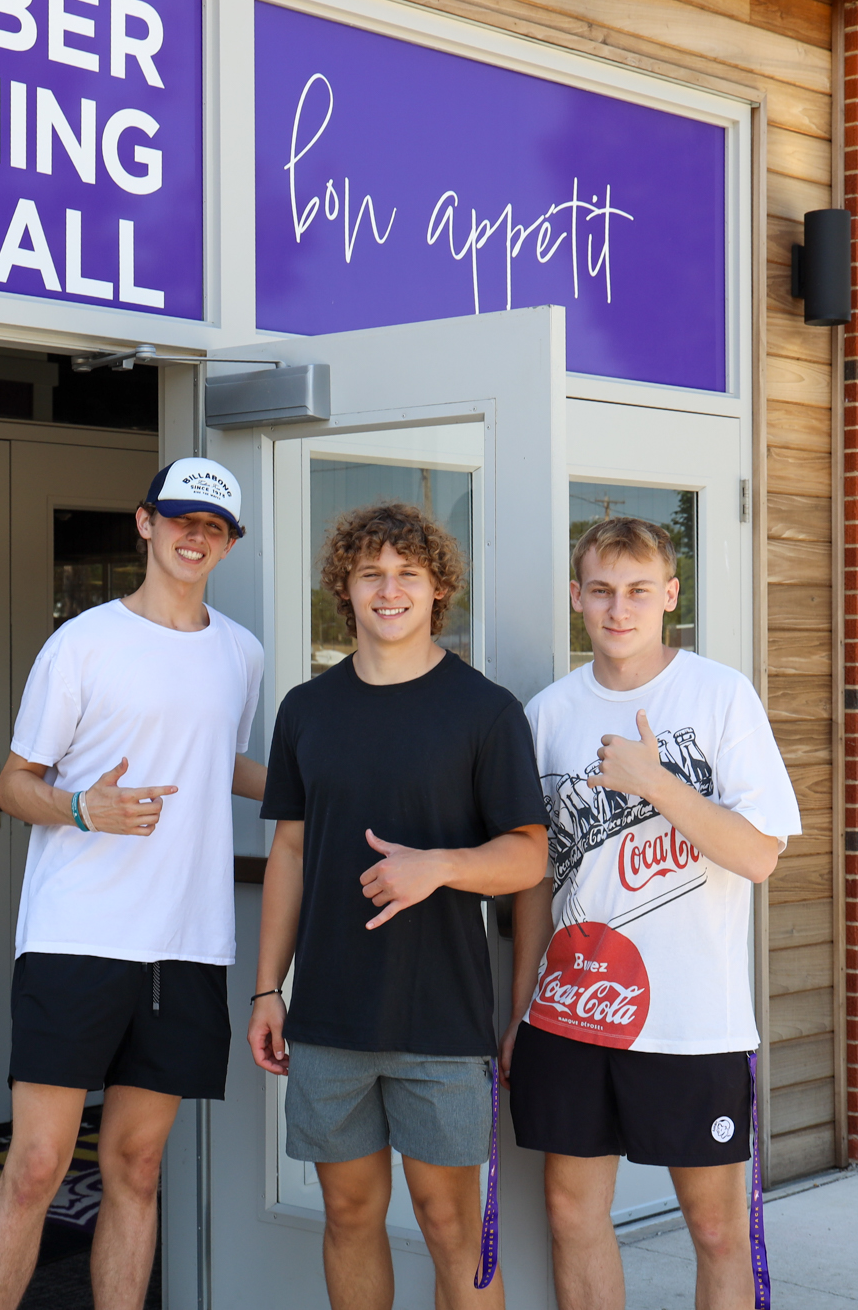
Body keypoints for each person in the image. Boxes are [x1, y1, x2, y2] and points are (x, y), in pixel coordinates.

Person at [0, 458, 266, 1310]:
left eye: (214, 526)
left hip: (186, 942)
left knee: (136, 1166)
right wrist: (82, 808)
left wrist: (319, 785)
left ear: (230, 542)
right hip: (77, 938)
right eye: (180, 519)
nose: (194, 535)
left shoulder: (240, 653)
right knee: (35, 1166)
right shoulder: (83, 642)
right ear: (145, 523)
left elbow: (222, 762)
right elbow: (13, 783)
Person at [247, 501, 548, 1310]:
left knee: (451, 1225)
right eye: (370, 573)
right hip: (330, 1019)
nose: (389, 590)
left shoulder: (485, 711)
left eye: (407, 574)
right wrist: (268, 986)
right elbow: (291, 852)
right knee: (347, 1212)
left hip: (442, 1023)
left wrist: (439, 867)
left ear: (437, 586)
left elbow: (528, 852)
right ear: (343, 588)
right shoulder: (307, 709)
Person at [504, 516, 800, 1310]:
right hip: (572, 1011)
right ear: (577, 596)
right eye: (601, 590)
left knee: (716, 1231)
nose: (618, 608)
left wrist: (659, 782)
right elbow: (536, 876)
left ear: (670, 595)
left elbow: (761, 854)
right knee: (571, 1213)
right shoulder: (548, 713)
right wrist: (518, 1004)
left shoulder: (720, 694)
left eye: (638, 590)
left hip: (694, 1019)